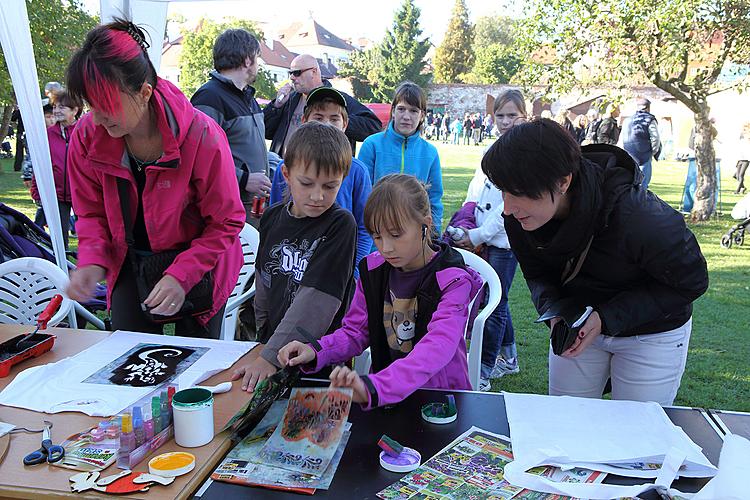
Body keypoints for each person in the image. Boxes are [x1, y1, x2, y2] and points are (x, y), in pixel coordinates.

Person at [482, 118, 708, 406]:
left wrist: (606, 318)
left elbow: (692, 281)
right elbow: (537, 274)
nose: (509, 207)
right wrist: (556, 311)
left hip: (652, 331)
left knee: (637, 432)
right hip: (577, 323)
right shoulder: (518, 218)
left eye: (519, 192)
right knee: (568, 422)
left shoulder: (641, 217)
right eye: (503, 190)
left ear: (563, 181)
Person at [64, 19, 245, 338]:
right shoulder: (86, 136)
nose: (98, 117)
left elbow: (226, 221)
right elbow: (91, 212)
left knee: (198, 371)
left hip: (201, 263)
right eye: (91, 105)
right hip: (130, 261)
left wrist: (181, 275)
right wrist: (92, 258)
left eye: (106, 104)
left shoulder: (202, 137)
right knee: (126, 364)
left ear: (145, 92)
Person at [276, 174, 483, 409]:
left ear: (425, 225)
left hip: (439, 399)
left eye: (396, 235)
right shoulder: (373, 271)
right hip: (385, 398)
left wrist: (376, 387)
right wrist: (315, 351)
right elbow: (355, 332)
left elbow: (438, 345)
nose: (386, 247)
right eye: (377, 236)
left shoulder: (453, 279)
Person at [232, 122, 358, 391]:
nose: (317, 195)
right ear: (286, 175)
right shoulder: (272, 218)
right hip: (274, 352)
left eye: (329, 186)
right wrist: (265, 343)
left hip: (320, 366)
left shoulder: (340, 225)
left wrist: (270, 356)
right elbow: (264, 283)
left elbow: (317, 301)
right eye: (307, 183)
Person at [456, 89, 525, 391]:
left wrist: (479, 235)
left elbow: (508, 206)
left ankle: (483, 367)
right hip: (483, 235)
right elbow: (477, 186)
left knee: (493, 303)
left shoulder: (524, 153)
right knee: (499, 298)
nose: (506, 121)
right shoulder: (493, 147)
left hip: (505, 241)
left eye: (512, 115)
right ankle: (509, 356)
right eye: (501, 115)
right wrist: (466, 216)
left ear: (523, 116)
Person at [269, 87, 373, 276]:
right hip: (291, 266)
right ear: (304, 121)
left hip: (336, 269)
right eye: (318, 117)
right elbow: (275, 218)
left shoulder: (357, 171)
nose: (327, 124)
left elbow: (365, 227)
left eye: (334, 119)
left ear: (345, 124)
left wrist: (355, 272)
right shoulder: (285, 168)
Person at [190, 28, 270, 226]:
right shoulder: (209, 97)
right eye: (257, 58)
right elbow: (197, 156)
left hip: (253, 204)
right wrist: (244, 179)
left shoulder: (248, 97)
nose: (258, 65)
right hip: (227, 208)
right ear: (247, 60)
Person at [358, 82, 444, 233]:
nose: (406, 116)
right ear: (393, 111)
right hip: (376, 231)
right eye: (401, 109)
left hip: (414, 234)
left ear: (422, 115)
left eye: (413, 111)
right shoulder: (372, 145)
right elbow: (362, 194)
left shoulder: (430, 153)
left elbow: (434, 199)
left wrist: (434, 235)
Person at [263, 54, 381, 157]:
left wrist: (338, 121)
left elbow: (373, 127)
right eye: (291, 73)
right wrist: (276, 106)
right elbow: (264, 131)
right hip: (286, 170)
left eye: (297, 73)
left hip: (325, 172)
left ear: (313, 72)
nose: (292, 78)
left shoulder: (339, 99)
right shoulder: (289, 100)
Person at [30, 90, 82, 249]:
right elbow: (39, 164)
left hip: (81, 194)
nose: (57, 110)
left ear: (75, 110)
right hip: (57, 195)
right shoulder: (47, 134)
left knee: (88, 234)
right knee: (59, 237)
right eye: (55, 107)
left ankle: (88, 267)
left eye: (63, 107)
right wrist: (36, 189)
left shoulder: (84, 131)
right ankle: (62, 269)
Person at [621, 97, 660, 190]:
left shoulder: (627, 120)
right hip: (644, 155)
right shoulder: (650, 119)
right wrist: (653, 152)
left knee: (630, 184)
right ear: (648, 107)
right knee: (643, 185)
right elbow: (655, 138)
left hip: (628, 155)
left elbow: (621, 139)